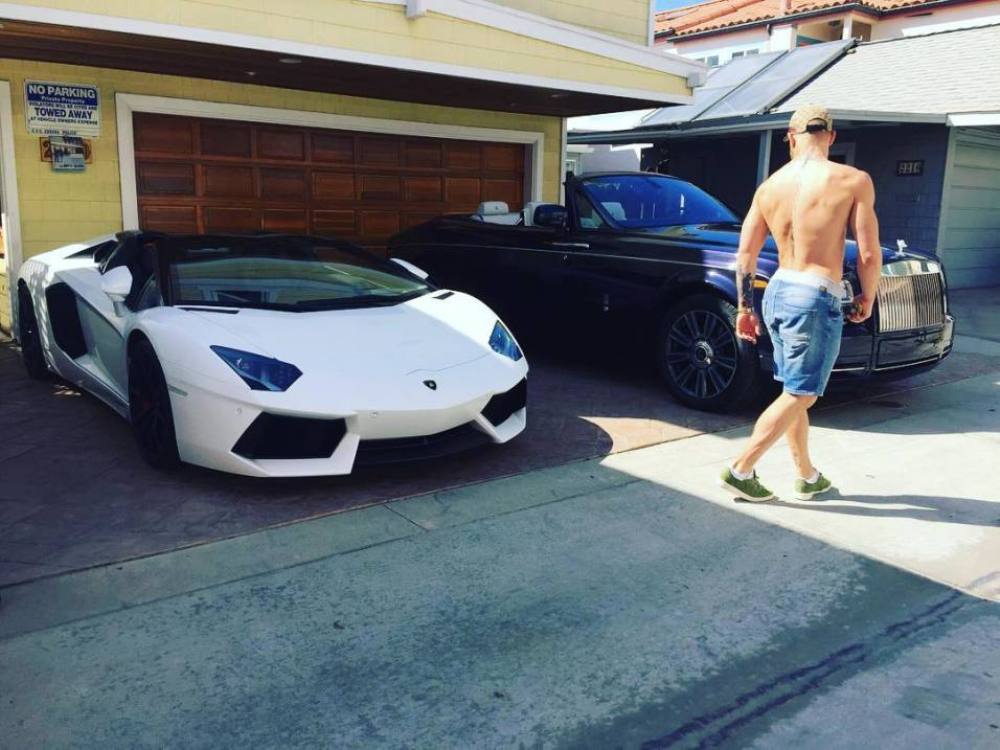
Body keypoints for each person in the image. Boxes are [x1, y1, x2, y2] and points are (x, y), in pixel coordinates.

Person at [719, 105, 882, 502]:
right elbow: (867, 254)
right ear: (832, 136)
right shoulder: (852, 180)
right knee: (802, 393)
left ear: (791, 138)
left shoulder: (769, 187)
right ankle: (740, 469)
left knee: (793, 390)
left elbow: (745, 256)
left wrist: (744, 308)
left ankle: (807, 476)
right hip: (814, 294)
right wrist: (867, 295)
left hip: (778, 291)